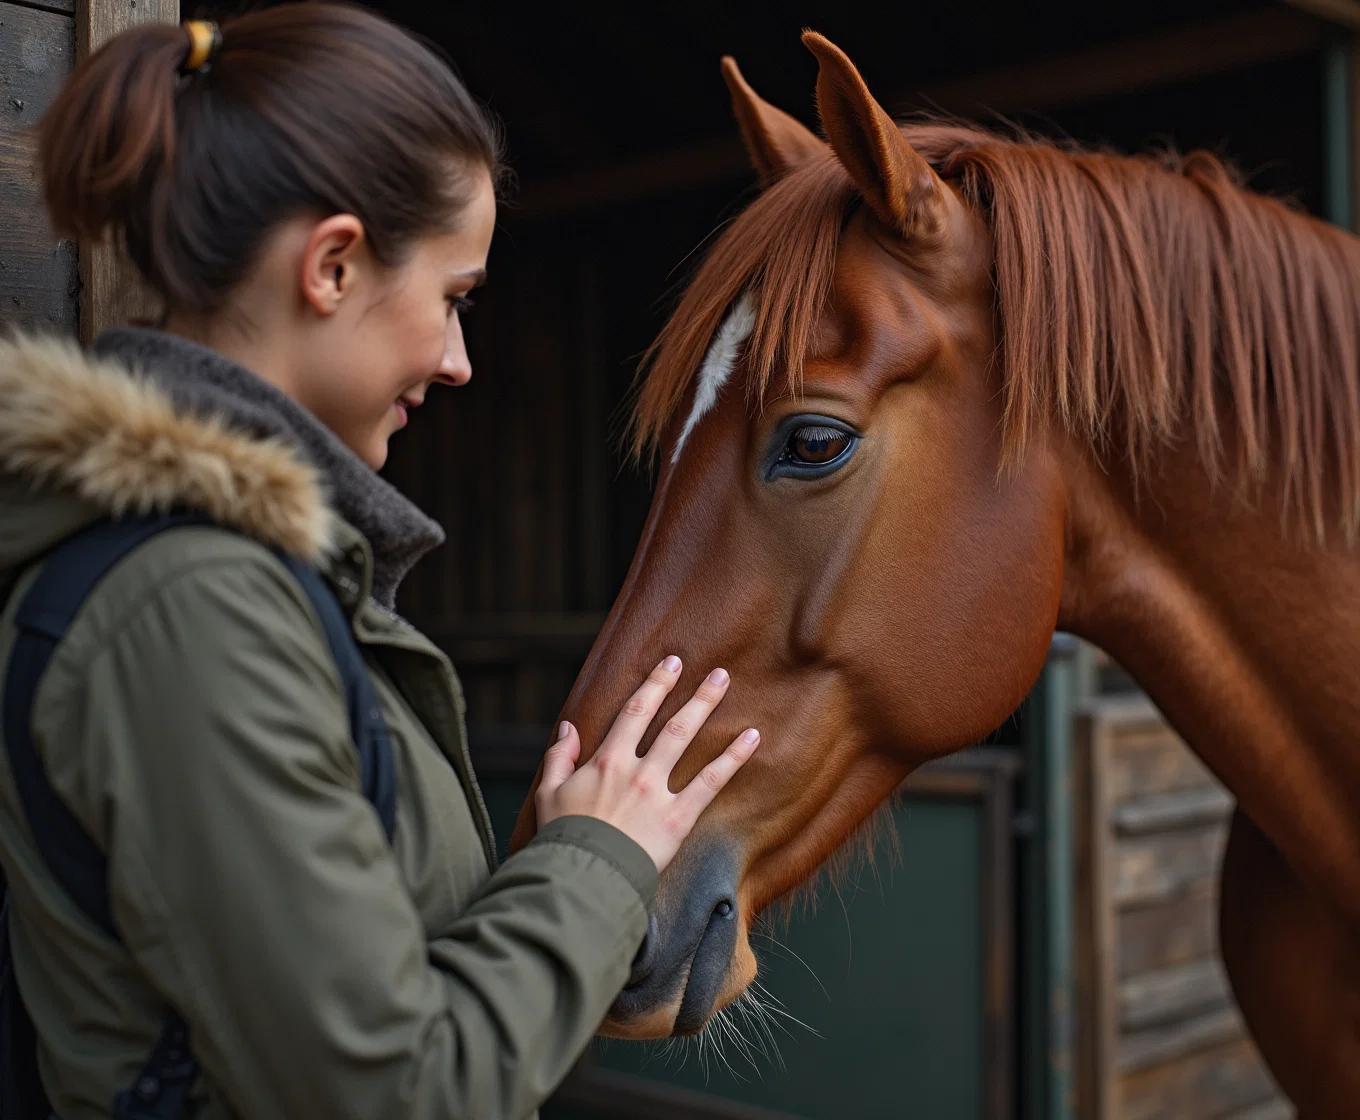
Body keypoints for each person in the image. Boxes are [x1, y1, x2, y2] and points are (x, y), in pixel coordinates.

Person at [0, 6, 759, 1118]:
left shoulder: (249, 585)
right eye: (454, 299)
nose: (459, 361)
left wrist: (557, 868)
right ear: (335, 264)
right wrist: (597, 862)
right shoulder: (189, 612)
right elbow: (388, 1088)